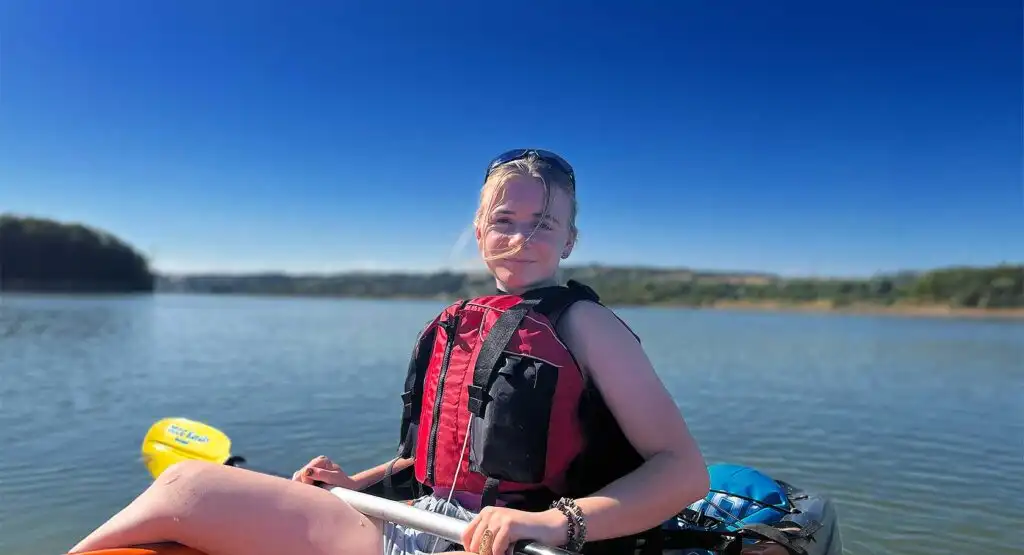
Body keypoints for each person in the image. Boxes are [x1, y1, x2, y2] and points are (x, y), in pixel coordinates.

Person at [69, 149, 710, 555]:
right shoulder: (459, 322)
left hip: (514, 544)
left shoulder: (586, 324)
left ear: (569, 240)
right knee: (186, 485)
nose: (520, 238)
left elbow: (682, 470)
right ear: (480, 232)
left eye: (543, 224)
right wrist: (360, 483)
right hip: (416, 520)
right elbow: (438, 456)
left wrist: (553, 523)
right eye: (504, 221)